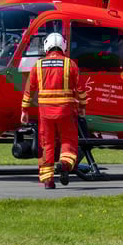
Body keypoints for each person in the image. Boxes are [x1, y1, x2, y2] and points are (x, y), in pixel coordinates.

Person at [20, 33, 86, 189]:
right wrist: (83, 107)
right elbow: (81, 90)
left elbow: (29, 90)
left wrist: (24, 110)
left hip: (45, 114)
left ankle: (48, 180)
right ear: (63, 46)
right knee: (69, 141)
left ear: (46, 46)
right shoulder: (70, 64)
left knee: (46, 144)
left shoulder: (38, 65)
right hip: (66, 112)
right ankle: (64, 165)